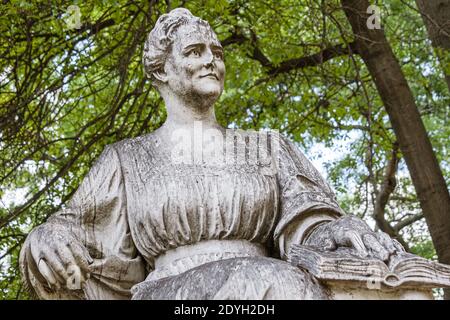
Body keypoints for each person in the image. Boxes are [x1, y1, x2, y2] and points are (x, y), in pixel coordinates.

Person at [19, 8, 403, 300]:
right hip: (174, 293)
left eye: (216, 51)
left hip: (277, 285)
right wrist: (46, 235)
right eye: (194, 51)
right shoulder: (126, 158)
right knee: (263, 282)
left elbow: (306, 221)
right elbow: (73, 227)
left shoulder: (267, 147)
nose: (211, 61)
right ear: (161, 71)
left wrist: (334, 227)